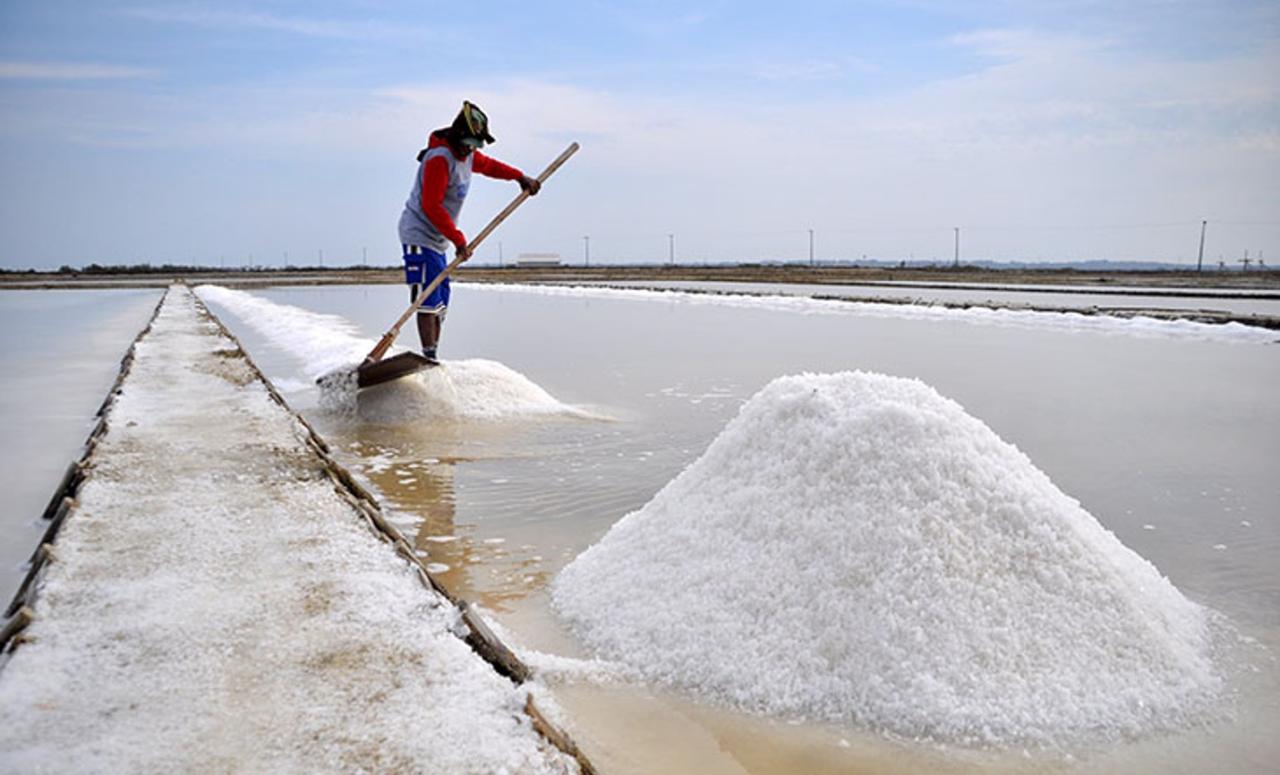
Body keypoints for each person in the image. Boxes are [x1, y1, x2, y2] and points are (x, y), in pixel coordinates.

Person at [397, 100, 540, 364]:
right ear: (457, 137)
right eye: (468, 144)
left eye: (475, 145)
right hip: (419, 234)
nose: (471, 149)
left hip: (439, 240)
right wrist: (459, 239)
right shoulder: (440, 158)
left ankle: (433, 356)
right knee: (426, 298)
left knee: (441, 300)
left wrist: (520, 177)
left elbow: (491, 166)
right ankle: (429, 356)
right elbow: (430, 205)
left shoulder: (468, 155)